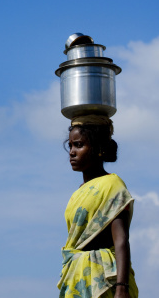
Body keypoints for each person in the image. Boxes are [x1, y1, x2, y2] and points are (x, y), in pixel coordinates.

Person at [57, 115, 138, 298]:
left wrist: (121, 288)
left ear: (98, 149)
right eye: (70, 146)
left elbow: (120, 240)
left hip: (104, 279)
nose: (71, 152)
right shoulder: (77, 193)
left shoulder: (112, 184)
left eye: (79, 145)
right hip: (78, 278)